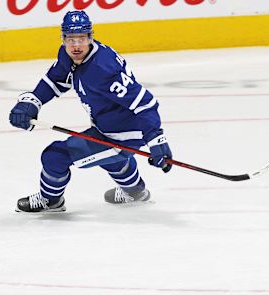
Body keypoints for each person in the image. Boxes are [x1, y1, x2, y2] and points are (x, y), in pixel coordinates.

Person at [9, 10, 172, 213]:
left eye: (81, 39)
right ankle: (136, 192)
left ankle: (50, 201)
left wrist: (155, 139)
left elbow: (145, 103)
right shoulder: (70, 56)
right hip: (107, 127)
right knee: (111, 161)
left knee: (55, 156)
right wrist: (32, 102)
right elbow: (55, 80)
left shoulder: (103, 69)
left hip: (123, 137)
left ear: (90, 37)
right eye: (70, 39)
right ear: (63, 39)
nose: (76, 45)